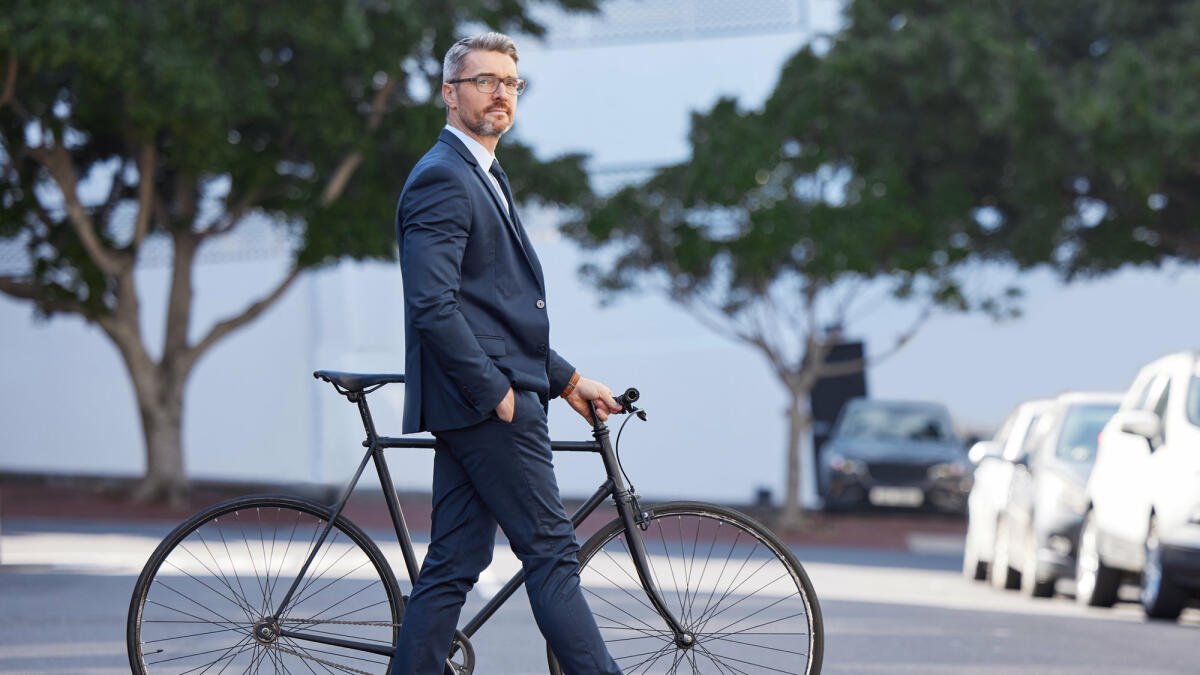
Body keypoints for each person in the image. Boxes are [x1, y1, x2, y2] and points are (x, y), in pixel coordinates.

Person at [391, 32, 624, 675]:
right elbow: (433, 306)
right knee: (552, 553)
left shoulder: (482, 172)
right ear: (449, 93)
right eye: (484, 80)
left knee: (455, 564)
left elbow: (492, 310)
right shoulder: (443, 176)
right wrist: (498, 394)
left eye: (510, 83)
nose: (500, 93)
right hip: (487, 404)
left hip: (489, 397)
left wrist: (569, 379)